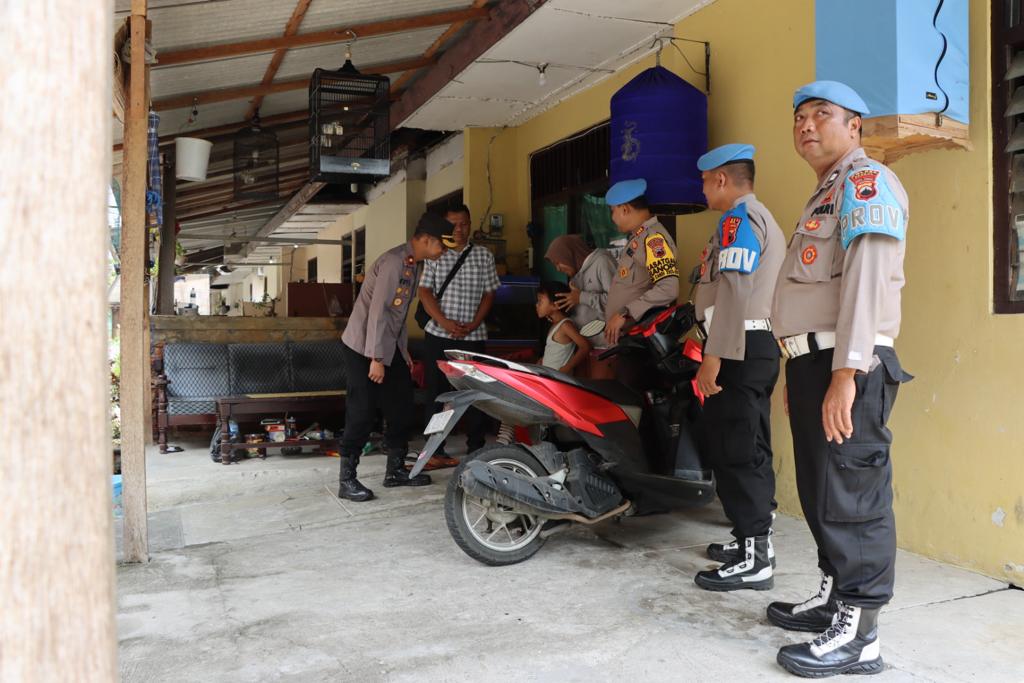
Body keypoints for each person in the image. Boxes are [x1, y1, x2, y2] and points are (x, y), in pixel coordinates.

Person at [770, 81, 912, 678]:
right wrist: (798, 366)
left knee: (854, 499)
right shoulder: (826, 192)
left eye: (821, 114)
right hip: (816, 363)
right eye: (799, 116)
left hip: (849, 363)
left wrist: (846, 372)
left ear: (854, 126)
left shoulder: (867, 181)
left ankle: (861, 635)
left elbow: (867, 281)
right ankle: (835, 600)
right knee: (822, 492)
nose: (806, 125)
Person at [688, 144, 785, 593]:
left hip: (738, 347)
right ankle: (752, 541)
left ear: (722, 179)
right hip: (751, 344)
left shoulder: (738, 220)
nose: (703, 190)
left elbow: (734, 291)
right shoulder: (758, 217)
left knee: (736, 450)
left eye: (705, 181)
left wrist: (714, 355)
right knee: (748, 446)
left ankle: (755, 558)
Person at [337, 213, 451, 502]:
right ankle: (347, 480)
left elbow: (397, 316)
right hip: (362, 347)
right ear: (427, 240)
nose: (444, 252)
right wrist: (376, 358)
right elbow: (379, 311)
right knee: (362, 411)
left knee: (401, 405)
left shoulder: (414, 264)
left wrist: (402, 351)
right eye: (442, 245)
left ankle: (396, 470)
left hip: (388, 346)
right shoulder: (393, 262)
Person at [419, 204, 501, 466]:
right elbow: (424, 292)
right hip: (438, 334)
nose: (459, 229)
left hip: (473, 336)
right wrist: (444, 323)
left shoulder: (483, 255)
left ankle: (476, 446)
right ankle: (435, 449)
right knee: (438, 393)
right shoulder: (436, 253)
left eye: (464, 223)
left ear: (470, 224)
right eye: (453, 224)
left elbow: (489, 293)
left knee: (475, 392)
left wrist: (475, 322)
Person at [602, 179, 680, 392]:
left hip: (642, 344)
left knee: (635, 402)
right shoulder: (638, 238)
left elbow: (669, 287)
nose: (612, 218)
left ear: (625, 209)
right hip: (631, 343)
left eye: (612, 211)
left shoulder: (654, 239)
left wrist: (626, 312)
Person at [544, 234, 616, 343]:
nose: (558, 269)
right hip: (587, 344)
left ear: (568, 255)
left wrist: (581, 297)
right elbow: (581, 308)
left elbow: (617, 303)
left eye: (558, 263)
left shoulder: (602, 262)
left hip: (606, 343)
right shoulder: (575, 276)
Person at [535, 281, 591, 374]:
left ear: (555, 305)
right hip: (550, 376)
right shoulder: (554, 326)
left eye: (540, 301)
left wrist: (567, 368)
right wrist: (543, 360)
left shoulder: (565, 325)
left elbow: (585, 347)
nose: (537, 305)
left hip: (559, 378)